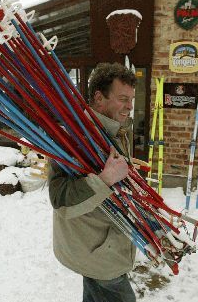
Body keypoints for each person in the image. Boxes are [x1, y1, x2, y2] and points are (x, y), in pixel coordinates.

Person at [48, 62, 137, 302]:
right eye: (122, 98)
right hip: (99, 252)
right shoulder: (73, 138)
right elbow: (60, 200)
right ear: (99, 97)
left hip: (102, 247)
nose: (129, 106)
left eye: (131, 99)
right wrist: (105, 178)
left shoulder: (114, 131)